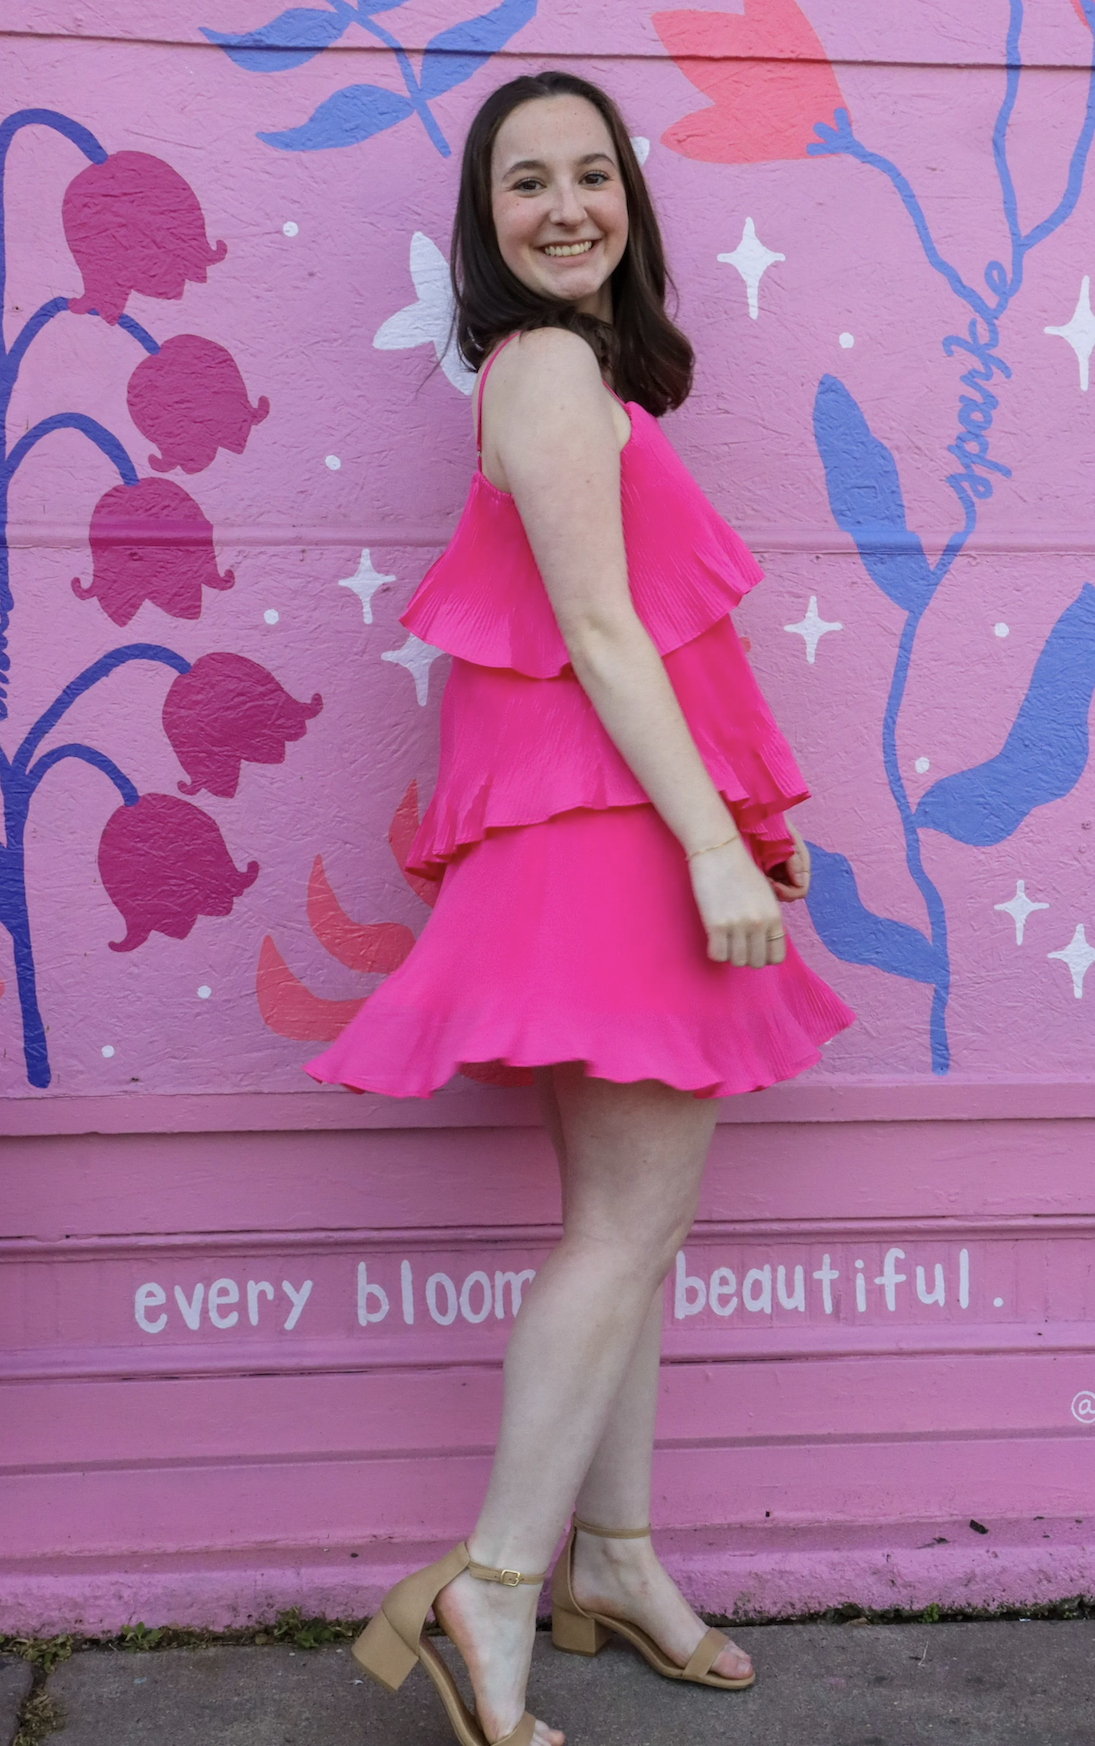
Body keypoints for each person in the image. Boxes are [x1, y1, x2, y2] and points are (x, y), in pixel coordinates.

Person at [305, 69, 854, 1746]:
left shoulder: (592, 377)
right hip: (611, 844)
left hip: (617, 827)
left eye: (590, 175)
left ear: (630, 198)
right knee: (622, 1232)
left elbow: (651, 651)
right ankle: (491, 1576)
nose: (563, 207)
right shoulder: (542, 369)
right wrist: (704, 845)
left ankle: (609, 1556)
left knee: (638, 1233)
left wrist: (740, 822)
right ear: (483, 223)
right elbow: (603, 637)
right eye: (524, 182)